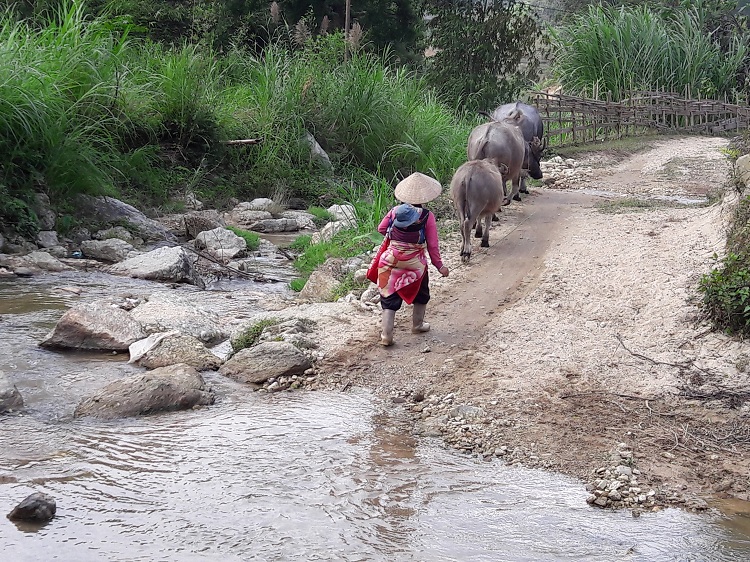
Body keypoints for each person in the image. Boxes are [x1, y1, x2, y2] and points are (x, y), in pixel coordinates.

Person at [374, 172, 449, 346]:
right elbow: (432, 245)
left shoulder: (394, 212)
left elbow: (381, 228)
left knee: (388, 298)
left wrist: (397, 236)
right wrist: (440, 266)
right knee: (421, 294)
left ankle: (386, 335)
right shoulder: (427, 216)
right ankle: (417, 324)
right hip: (415, 263)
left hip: (389, 259)